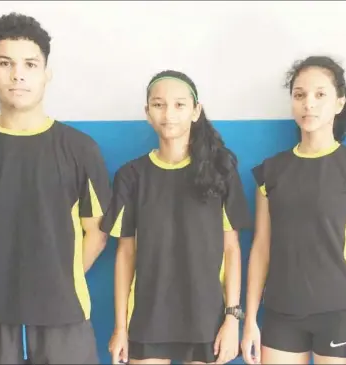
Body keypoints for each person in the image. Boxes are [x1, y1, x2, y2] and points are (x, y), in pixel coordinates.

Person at [0, 12, 111, 364]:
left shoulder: (79, 148)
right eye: (5, 63)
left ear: (46, 73)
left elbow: (96, 231)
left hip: (63, 309)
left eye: (30, 64)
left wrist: (63, 277)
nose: (18, 74)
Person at [103, 69, 252, 365]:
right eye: (159, 105)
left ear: (196, 111)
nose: (168, 114)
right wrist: (120, 328)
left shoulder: (221, 170)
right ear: (148, 112)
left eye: (179, 105)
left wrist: (232, 318)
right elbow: (125, 254)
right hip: (148, 318)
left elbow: (232, 249)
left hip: (205, 318)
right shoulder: (131, 176)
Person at [241, 56, 346, 365]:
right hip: (281, 313)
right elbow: (261, 248)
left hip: (340, 312)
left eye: (320, 95)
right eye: (300, 95)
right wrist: (249, 319)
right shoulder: (270, 172)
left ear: (339, 102)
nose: (309, 104)